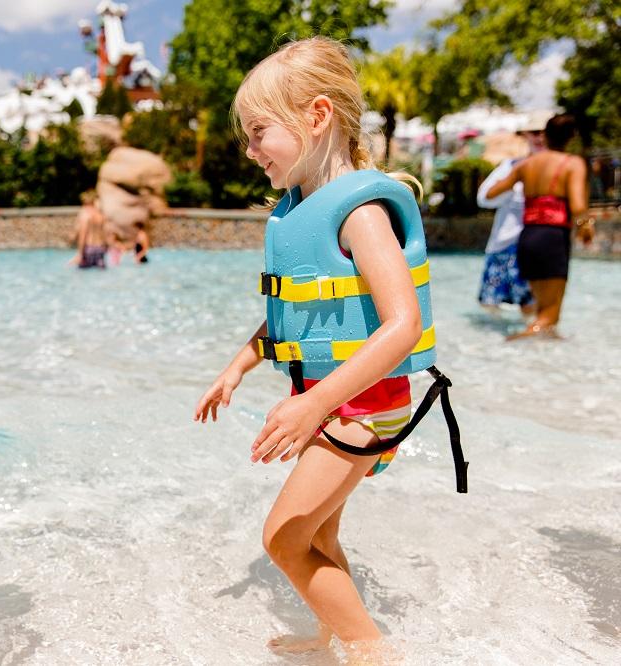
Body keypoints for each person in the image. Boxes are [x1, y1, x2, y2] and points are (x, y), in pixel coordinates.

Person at [194, 37, 465, 658]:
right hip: (338, 399)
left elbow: (402, 324)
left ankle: (372, 650)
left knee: (284, 540)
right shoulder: (300, 210)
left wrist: (315, 407)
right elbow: (302, 314)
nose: (249, 149)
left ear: (317, 117)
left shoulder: (361, 212)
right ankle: (329, 634)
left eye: (259, 131)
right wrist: (237, 366)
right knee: (316, 532)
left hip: (365, 404)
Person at [486, 114, 591, 340]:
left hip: (528, 238)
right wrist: (586, 226)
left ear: (546, 135)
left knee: (542, 309)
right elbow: (578, 205)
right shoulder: (572, 163)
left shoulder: (526, 164)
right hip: (553, 238)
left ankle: (545, 349)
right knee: (549, 315)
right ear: (572, 137)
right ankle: (519, 339)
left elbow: (491, 192)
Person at [474, 123, 547, 317]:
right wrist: (515, 180)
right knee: (490, 303)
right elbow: (483, 198)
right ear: (525, 135)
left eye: (544, 132)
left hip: (536, 247)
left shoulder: (556, 168)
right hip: (504, 245)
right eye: (535, 132)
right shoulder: (511, 166)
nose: (540, 137)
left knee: (530, 305)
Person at [71, 190, 107, 269]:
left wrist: (80, 254)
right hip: (100, 249)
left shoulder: (84, 213)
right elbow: (105, 234)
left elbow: (83, 234)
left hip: (88, 249)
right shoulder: (100, 215)